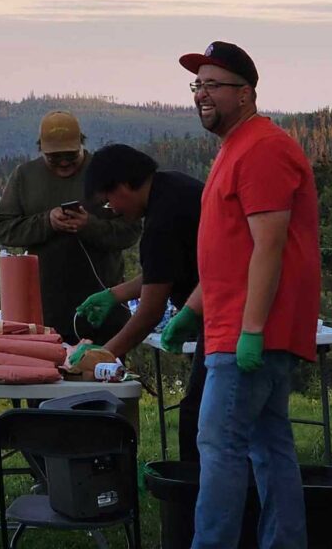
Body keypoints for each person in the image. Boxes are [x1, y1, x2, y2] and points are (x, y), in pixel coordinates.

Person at [175, 41, 321, 549]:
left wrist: (252, 331)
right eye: (197, 85)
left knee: (219, 444)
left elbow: (270, 246)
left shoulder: (262, 148)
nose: (201, 94)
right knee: (268, 443)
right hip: (232, 325)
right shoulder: (234, 148)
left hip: (247, 332)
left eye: (213, 85)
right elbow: (231, 251)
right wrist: (191, 311)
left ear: (247, 93)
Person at [74, 144, 205, 460]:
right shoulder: (173, 187)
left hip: (229, 318)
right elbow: (161, 274)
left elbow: (149, 313)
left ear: (123, 186)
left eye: (109, 202)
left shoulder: (161, 221)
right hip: (232, 310)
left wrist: (105, 354)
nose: (113, 210)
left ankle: (196, 497)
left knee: (198, 418)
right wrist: (114, 294)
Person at [0, 111, 141, 343]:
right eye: (55, 157)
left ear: (82, 143)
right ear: (40, 149)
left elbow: (131, 231)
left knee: (103, 372)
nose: (63, 162)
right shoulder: (25, 176)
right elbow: (4, 229)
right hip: (44, 310)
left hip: (104, 308)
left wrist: (88, 225)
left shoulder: (105, 173)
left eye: (70, 155)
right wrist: (47, 222)